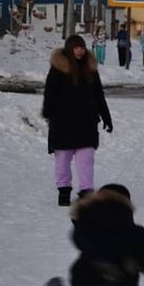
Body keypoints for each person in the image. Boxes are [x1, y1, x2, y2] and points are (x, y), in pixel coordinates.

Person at [43, 35, 112, 206]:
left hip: (86, 123)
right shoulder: (58, 69)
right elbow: (50, 95)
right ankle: (64, 191)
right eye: (76, 47)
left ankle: (86, 192)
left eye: (82, 47)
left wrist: (106, 116)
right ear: (69, 49)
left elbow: (98, 95)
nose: (80, 50)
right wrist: (50, 117)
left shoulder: (90, 69)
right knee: (63, 159)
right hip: (63, 123)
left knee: (86, 160)